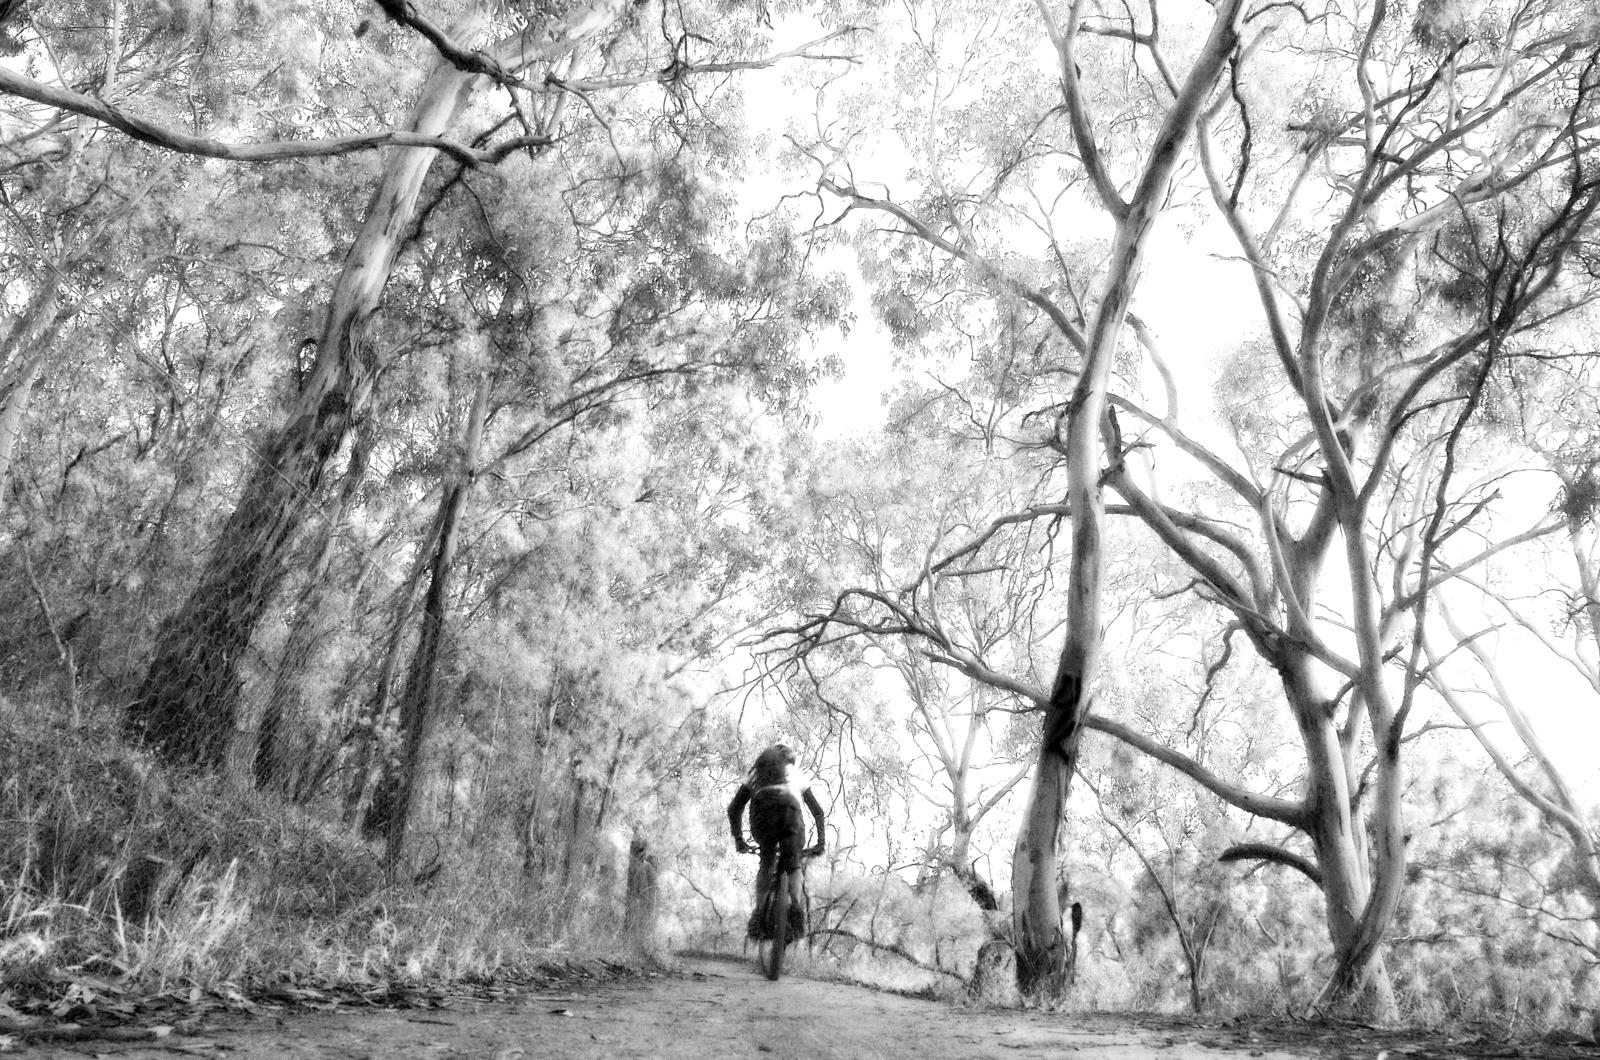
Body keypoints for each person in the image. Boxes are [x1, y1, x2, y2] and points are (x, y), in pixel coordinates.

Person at [727, 743, 826, 941]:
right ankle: (796, 910)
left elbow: (734, 808)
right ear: (790, 761)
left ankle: (758, 915)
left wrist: (739, 839)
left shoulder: (756, 772)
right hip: (789, 813)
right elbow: (818, 811)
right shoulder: (795, 773)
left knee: (767, 862)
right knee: (794, 865)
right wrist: (820, 842)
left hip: (763, 815)